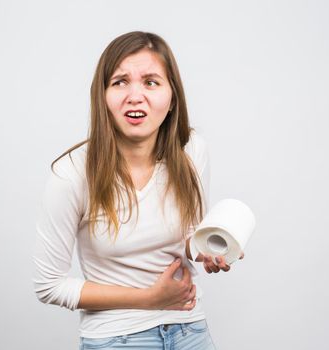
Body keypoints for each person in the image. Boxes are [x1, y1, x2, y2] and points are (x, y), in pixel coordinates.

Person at [32, 31, 243, 350]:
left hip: (189, 330)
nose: (134, 95)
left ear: (172, 97)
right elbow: (49, 286)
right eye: (119, 82)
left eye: (151, 82)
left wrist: (206, 247)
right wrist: (149, 299)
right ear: (102, 96)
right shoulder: (72, 175)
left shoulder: (191, 150)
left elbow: (187, 233)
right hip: (117, 337)